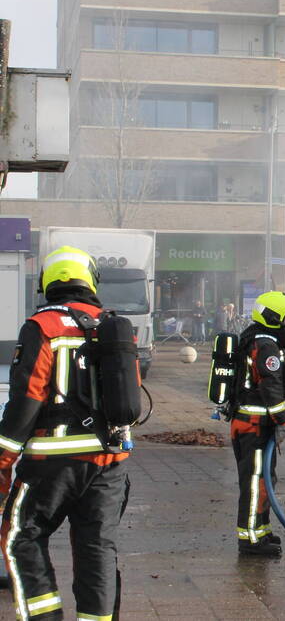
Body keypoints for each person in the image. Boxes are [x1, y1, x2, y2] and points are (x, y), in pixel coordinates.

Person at [0, 246, 132, 620]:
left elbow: (26, 399)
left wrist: (4, 459)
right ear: (90, 279)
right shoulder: (110, 325)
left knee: (20, 537)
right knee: (97, 547)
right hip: (110, 462)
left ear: (47, 282)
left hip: (52, 461)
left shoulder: (42, 326)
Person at [232, 291, 285, 556]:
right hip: (255, 425)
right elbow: (270, 387)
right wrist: (282, 419)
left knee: (263, 480)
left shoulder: (259, 339)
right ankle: (250, 540)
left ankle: (260, 531)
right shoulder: (267, 346)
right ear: (275, 318)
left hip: (253, 422)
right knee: (255, 482)